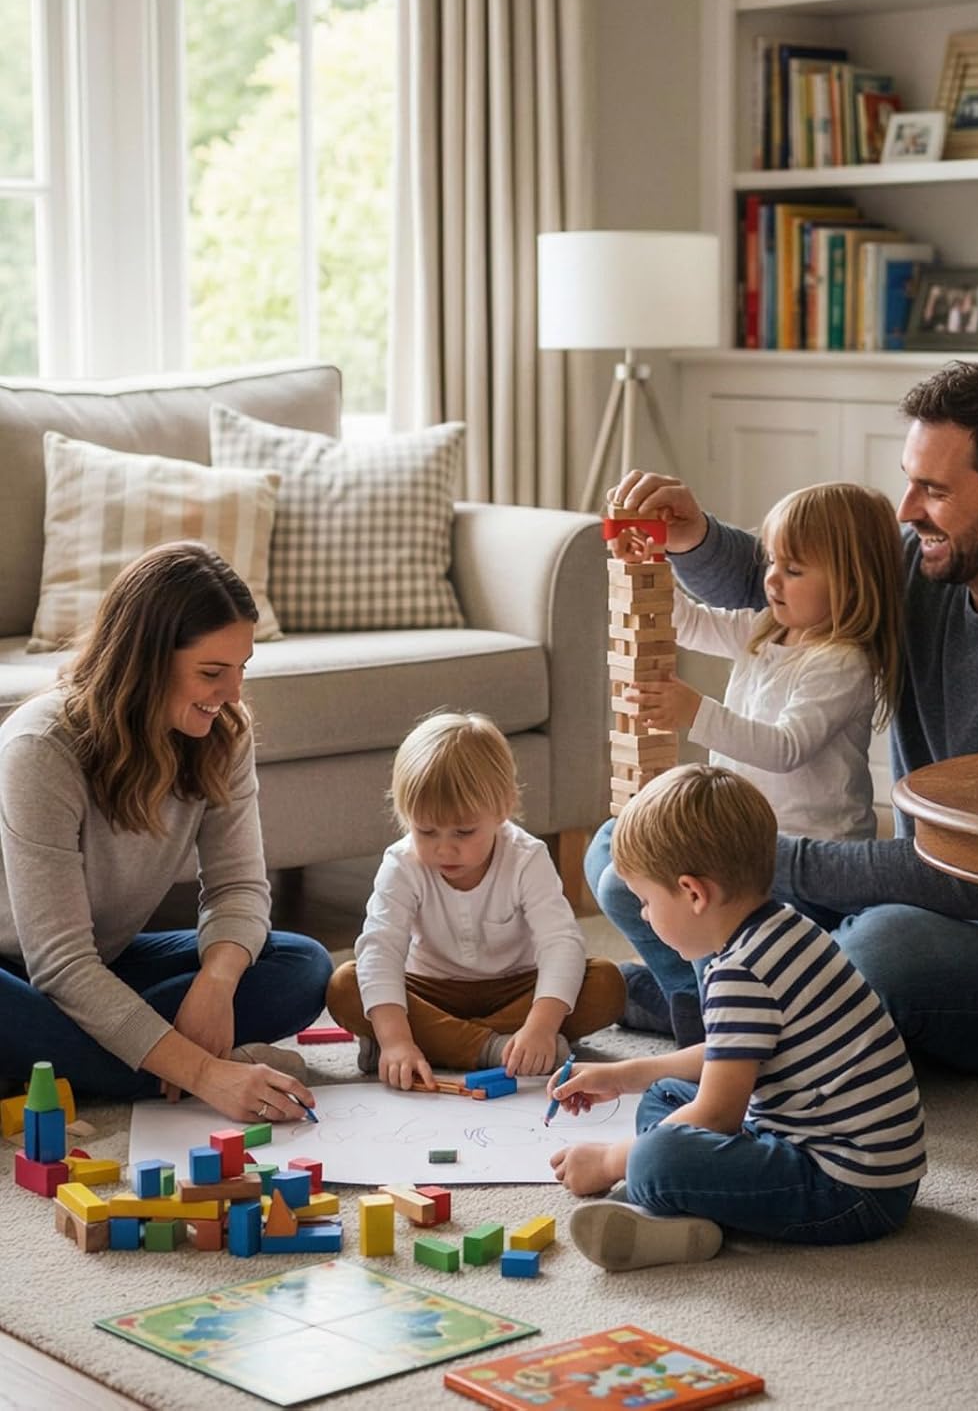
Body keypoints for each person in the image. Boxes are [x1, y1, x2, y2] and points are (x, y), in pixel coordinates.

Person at [595, 359, 978, 1078]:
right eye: (910, 480)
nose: (906, 509)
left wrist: (754, 860)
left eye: (935, 490)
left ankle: (741, 1022)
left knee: (879, 946)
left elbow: (969, 880)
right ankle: (729, 1025)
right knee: (623, 852)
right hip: (932, 904)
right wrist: (693, 535)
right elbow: (788, 582)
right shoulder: (925, 558)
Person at [0, 543, 330, 1122]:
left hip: (102, 963)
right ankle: (166, 1069)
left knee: (302, 966)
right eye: (212, 673)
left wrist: (217, 981)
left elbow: (238, 888)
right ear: (145, 661)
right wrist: (206, 1073)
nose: (233, 693)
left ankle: (58, 1064)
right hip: (18, 970)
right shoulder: (41, 746)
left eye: (241, 668)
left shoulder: (223, 734)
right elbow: (60, 964)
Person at [552, 764, 925, 1272]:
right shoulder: (784, 926)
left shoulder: (740, 969)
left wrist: (611, 1161)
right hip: (861, 1165)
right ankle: (686, 1210)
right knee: (662, 1096)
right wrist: (623, 1075)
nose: (643, 915)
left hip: (849, 1189)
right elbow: (730, 1052)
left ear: (693, 893)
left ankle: (675, 1215)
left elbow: (717, 1114)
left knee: (654, 1158)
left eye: (645, 901)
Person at [591, 482, 904, 1045]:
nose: (772, 580)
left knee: (658, 894)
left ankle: (714, 1014)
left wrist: (696, 712)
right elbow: (688, 622)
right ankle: (695, 1003)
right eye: (772, 562)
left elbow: (785, 747)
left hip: (800, 869)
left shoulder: (843, 663)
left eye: (794, 570)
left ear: (852, 582)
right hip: (736, 850)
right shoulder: (766, 628)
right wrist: (647, 565)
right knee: (618, 872)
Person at [325, 712, 624, 1089]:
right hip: (429, 990)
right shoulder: (401, 864)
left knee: (606, 984)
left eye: (464, 832)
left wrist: (540, 1027)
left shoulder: (527, 857)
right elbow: (380, 948)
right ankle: (493, 1049)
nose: (444, 848)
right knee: (346, 986)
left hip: (517, 987)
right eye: (425, 830)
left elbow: (559, 943)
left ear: (503, 809)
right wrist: (395, 1039)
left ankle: (440, 1043)